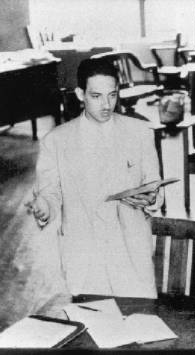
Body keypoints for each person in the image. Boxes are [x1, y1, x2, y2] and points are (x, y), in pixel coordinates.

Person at [28, 58, 162, 299]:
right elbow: (50, 192)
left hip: (130, 254)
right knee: (92, 327)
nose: (106, 104)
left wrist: (151, 197)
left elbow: (155, 183)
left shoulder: (140, 132)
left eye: (112, 95)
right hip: (84, 258)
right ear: (80, 94)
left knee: (140, 326)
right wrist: (44, 207)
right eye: (96, 96)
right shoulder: (56, 141)